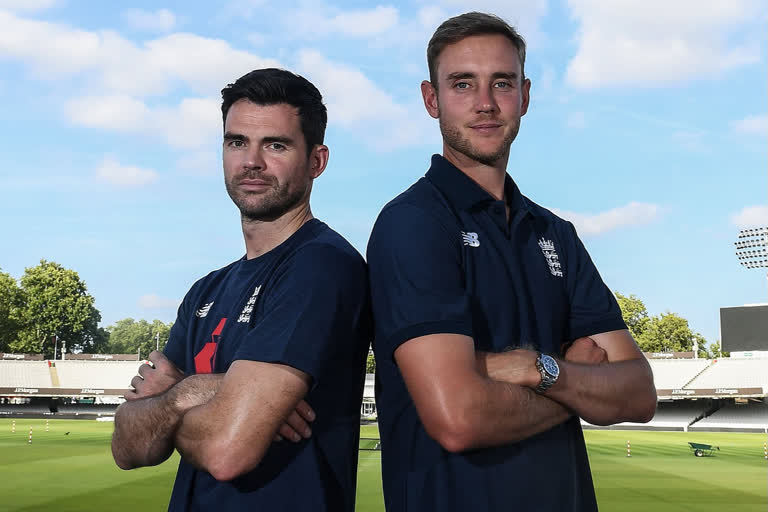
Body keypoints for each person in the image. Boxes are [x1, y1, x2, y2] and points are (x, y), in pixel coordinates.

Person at [366, 12, 656, 511]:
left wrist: (540, 370)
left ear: (524, 95)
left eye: (501, 83)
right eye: (463, 84)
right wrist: (574, 382)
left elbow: (638, 392)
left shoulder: (554, 234)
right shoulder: (412, 223)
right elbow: (458, 418)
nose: (485, 104)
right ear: (431, 100)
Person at [111, 68, 371, 511]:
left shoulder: (322, 266)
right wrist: (200, 392)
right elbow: (129, 447)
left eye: (275, 145)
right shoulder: (206, 290)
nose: (251, 161)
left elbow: (228, 450)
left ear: (317, 161)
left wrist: (173, 401)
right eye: (236, 142)